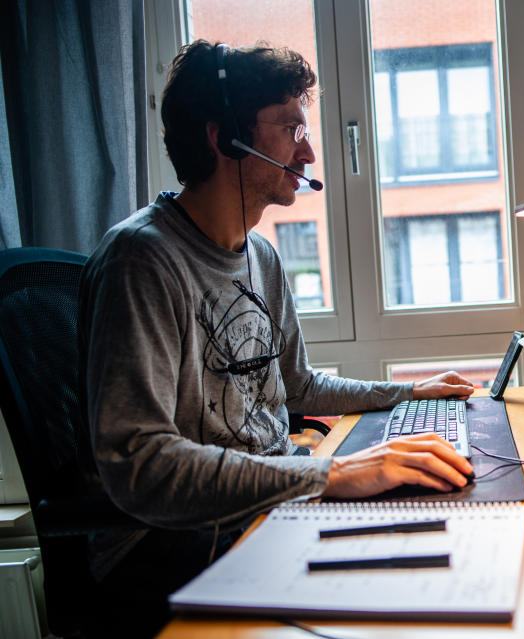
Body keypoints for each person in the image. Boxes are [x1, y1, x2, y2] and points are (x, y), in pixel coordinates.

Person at [78, 40, 474, 636]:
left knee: (440, 537)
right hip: (170, 542)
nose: (309, 150)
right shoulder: (143, 260)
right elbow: (141, 464)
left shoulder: (259, 254)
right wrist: (328, 476)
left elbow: (298, 385)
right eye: (291, 129)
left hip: (266, 505)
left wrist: (408, 396)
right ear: (223, 137)